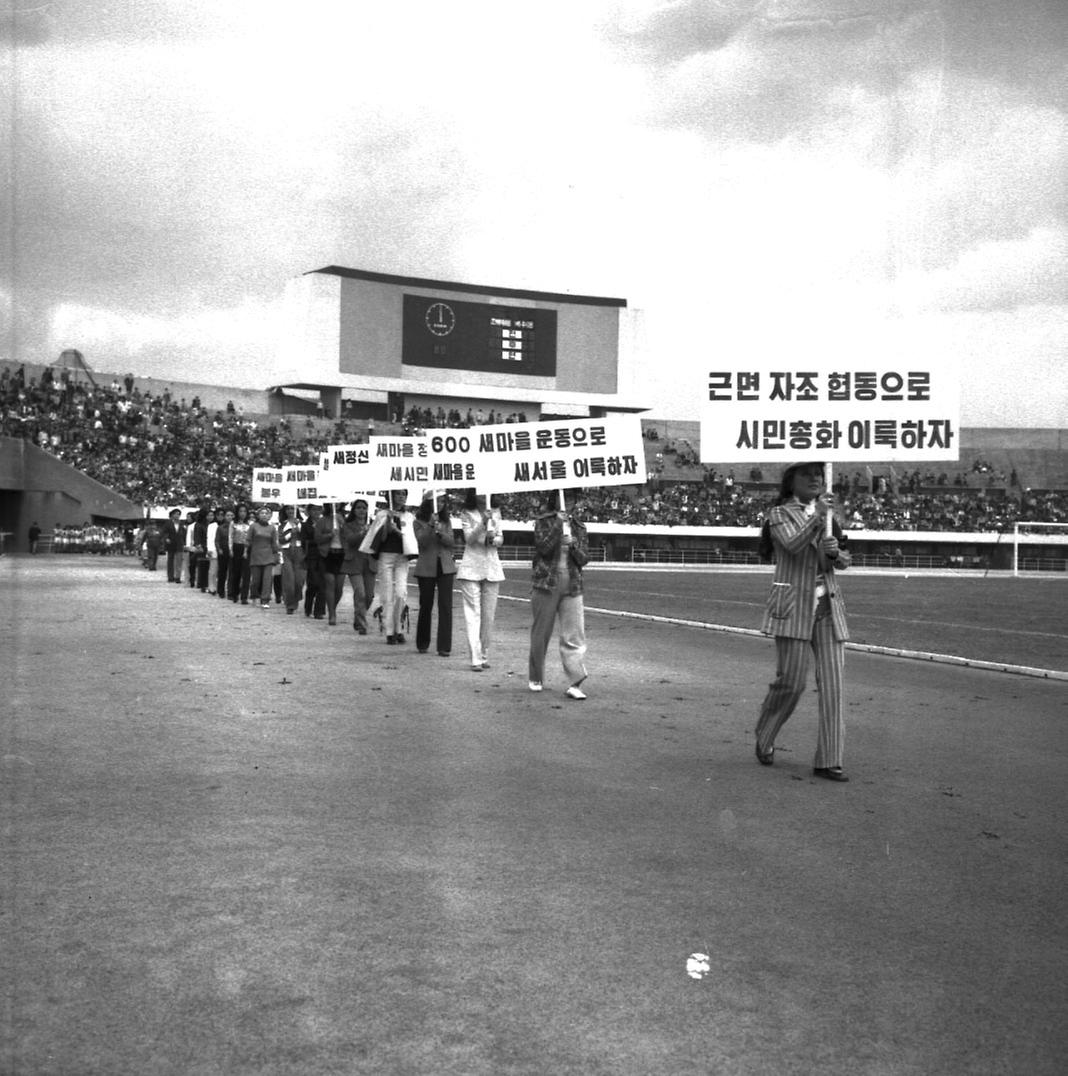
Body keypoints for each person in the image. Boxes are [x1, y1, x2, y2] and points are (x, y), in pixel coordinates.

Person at [754, 461, 852, 782]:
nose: (815, 479)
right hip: (793, 607)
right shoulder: (779, 514)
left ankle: (829, 759)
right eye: (807, 474)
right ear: (790, 481)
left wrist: (836, 552)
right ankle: (766, 734)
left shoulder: (829, 517)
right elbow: (793, 545)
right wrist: (816, 518)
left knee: (833, 686)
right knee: (792, 684)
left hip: (827, 608)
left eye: (818, 474)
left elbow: (844, 560)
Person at [528, 489, 590, 699]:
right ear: (555, 499)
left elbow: (583, 559)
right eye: (565, 497)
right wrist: (557, 526)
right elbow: (543, 547)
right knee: (541, 632)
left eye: (572, 498)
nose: (568, 502)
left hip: (572, 584)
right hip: (546, 582)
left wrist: (573, 545)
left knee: (574, 634)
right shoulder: (543, 521)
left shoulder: (579, 526)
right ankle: (536, 677)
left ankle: (575, 682)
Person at [456, 489, 505, 671]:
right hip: (471, 567)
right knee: (473, 613)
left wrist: (495, 540)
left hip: (491, 566)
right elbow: (469, 539)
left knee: (488, 616)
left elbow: (500, 537)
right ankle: (475, 658)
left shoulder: (497, 512)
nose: (483, 496)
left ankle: (484, 654)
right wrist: (483, 523)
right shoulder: (466, 513)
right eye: (479, 493)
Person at [360, 489, 417, 644]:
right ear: (391, 497)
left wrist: (397, 531)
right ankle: (389, 631)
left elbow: (410, 539)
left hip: (402, 558)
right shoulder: (382, 514)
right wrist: (387, 526)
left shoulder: (409, 516)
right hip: (386, 556)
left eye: (404, 494)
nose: (402, 497)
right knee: (387, 593)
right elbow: (380, 538)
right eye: (398, 494)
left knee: (400, 593)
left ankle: (399, 627)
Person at [413, 494, 457, 656]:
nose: (440, 503)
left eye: (443, 501)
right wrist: (430, 526)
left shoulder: (446, 521)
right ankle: (422, 642)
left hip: (445, 566)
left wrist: (440, 533)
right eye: (437, 500)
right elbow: (422, 542)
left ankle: (444, 646)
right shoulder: (418, 521)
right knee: (426, 605)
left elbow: (451, 542)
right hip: (426, 568)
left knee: (445, 606)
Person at [340, 499, 375, 634]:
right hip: (354, 562)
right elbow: (350, 540)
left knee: (369, 595)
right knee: (360, 593)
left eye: (364, 508)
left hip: (369, 562)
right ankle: (362, 624)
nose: (361, 511)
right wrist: (362, 533)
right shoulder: (347, 525)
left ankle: (358, 617)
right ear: (354, 510)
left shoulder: (372, 525)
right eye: (359, 508)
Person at [314, 503, 346, 625]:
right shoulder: (323, 520)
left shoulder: (343, 519)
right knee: (330, 583)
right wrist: (329, 535)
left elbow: (348, 536)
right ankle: (332, 614)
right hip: (327, 554)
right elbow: (317, 538)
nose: (336, 505)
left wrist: (342, 525)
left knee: (339, 588)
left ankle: (332, 607)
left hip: (342, 554)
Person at [246, 506, 280, 609]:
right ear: (258, 515)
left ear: (270, 516)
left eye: (266, 513)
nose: (264, 515)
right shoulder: (253, 526)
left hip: (268, 556)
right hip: (256, 555)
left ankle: (265, 599)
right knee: (255, 580)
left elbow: (274, 543)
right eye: (262, 513)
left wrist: (276, 555)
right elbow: (248, 540)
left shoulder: (272, 528)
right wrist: (245, 551)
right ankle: (254, 596)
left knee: (267, 580)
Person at [278, 505, 305, 614]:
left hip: (300, 551)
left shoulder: (302, 523)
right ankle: (289, 604)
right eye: (288, 509)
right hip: (286, 552)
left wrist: (299, 529)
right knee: (288, 580)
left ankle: (296, 599)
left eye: (292, 509)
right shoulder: (283, 524)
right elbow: (280, 540)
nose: (290, 511)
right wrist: (290, 534)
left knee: (299, 581)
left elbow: (306, 537)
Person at [228, 503, 252, 603]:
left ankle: (244, 596)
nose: (242, 513)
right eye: (240, 511)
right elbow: (230, 537)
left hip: (246, 548)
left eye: (244, 511)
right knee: (236, 572)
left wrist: (247, 550)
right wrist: (230, 549)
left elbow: (250, 538)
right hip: (236, 547)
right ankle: (234, 594)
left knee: (246, 573)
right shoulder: (233, 523)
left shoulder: (250, 524)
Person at [162, 509, 184, 583]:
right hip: (170, 544)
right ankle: (170, 577)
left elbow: (184, 534)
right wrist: (166, 538)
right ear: (172, 515)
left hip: (179, 544)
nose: (177, 516)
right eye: (176, 514)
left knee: (178, 561)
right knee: (170, 561)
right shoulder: (168, 523)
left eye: (178, 514)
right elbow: (164, 532)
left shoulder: (182, 523)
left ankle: (177, 577)